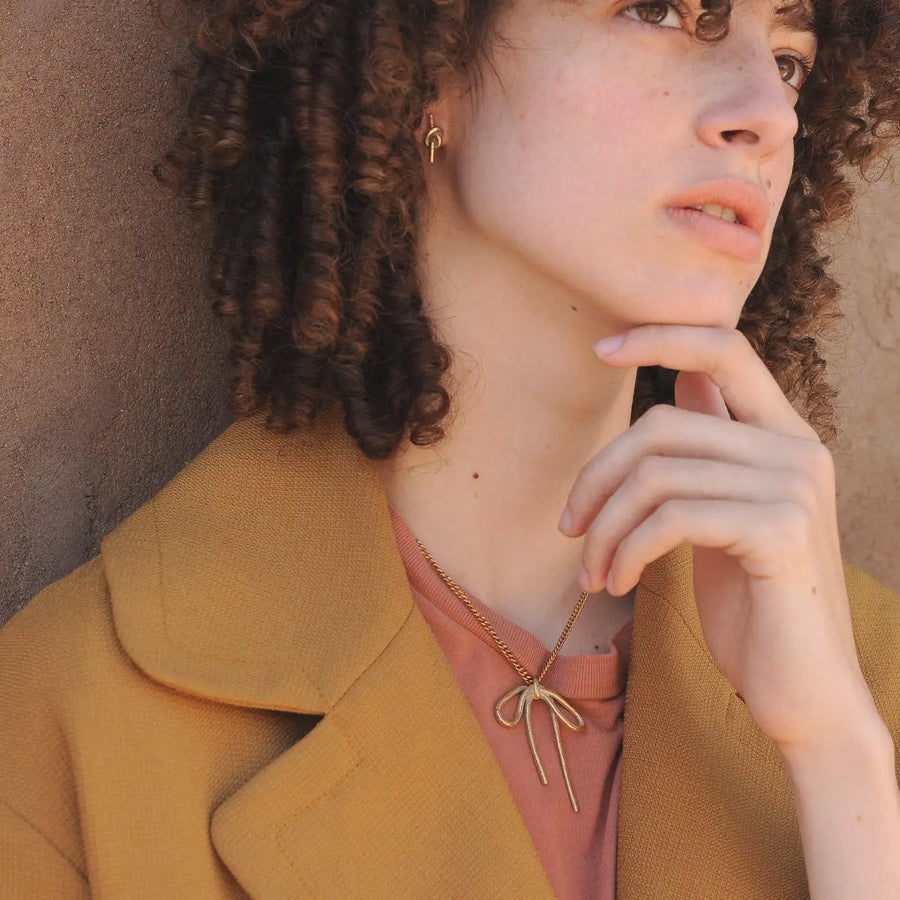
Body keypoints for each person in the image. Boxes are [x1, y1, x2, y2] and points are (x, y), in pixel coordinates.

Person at [2, 0, 900, 896]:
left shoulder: (868, 682)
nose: (769, 112)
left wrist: (842, 765)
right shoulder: (75, 722)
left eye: (789, 60)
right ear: (426, 72)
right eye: (660, 10)